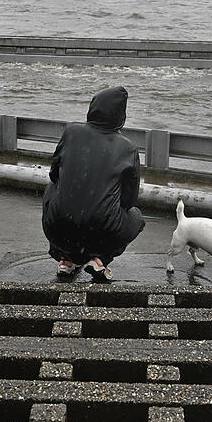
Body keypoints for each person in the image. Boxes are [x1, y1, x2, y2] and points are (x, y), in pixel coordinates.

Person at [42, 86, 145, 281]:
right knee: (136, 217)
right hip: (103, 231)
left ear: (93, 108)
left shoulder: (71, 132)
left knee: (52, 189)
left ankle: (66, 259)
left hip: (57, 228)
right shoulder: (128, 148)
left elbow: (54, 174)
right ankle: (100, 260)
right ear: (120, 115)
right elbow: (129, 200)